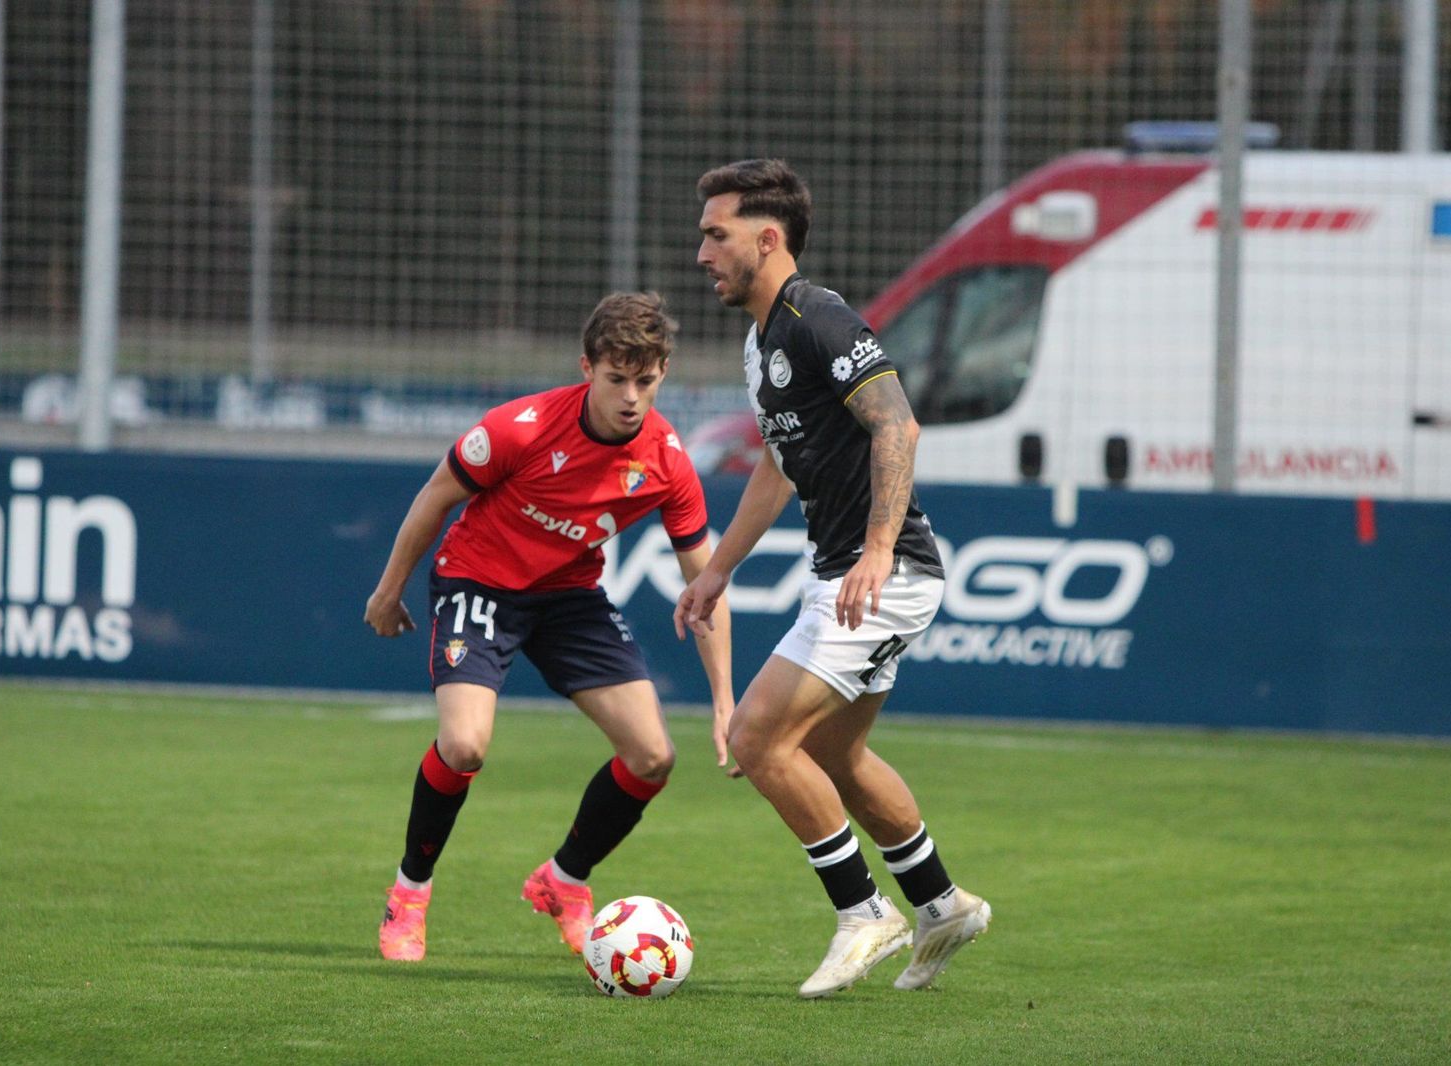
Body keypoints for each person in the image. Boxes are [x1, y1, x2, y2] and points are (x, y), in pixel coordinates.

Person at [676, 159, 990, 998]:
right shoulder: (759, 341)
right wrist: (718, 572)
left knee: (753, 737)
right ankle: (942, 903)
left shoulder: (820, 317)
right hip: (845, 574)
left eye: (717, 234)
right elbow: (777, 469)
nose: (701, 252)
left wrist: (878, 549)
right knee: (832, 751)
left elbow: (898, 424)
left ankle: (864, 913)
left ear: (767, 238)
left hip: (885, 572)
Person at [365, 291, 734, 962]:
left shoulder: (668, 461)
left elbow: (704, 584)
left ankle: (564, 880)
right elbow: (435, 496)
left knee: (653, 756)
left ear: (664, 372)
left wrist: (724, 700)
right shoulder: (521, 427)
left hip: (568, 594)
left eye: (644, 381)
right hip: (480, 580)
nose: (629, 396)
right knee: (466, 744)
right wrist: (389, 590)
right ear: (586, 367)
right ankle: (409, 893)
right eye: (615, 378)